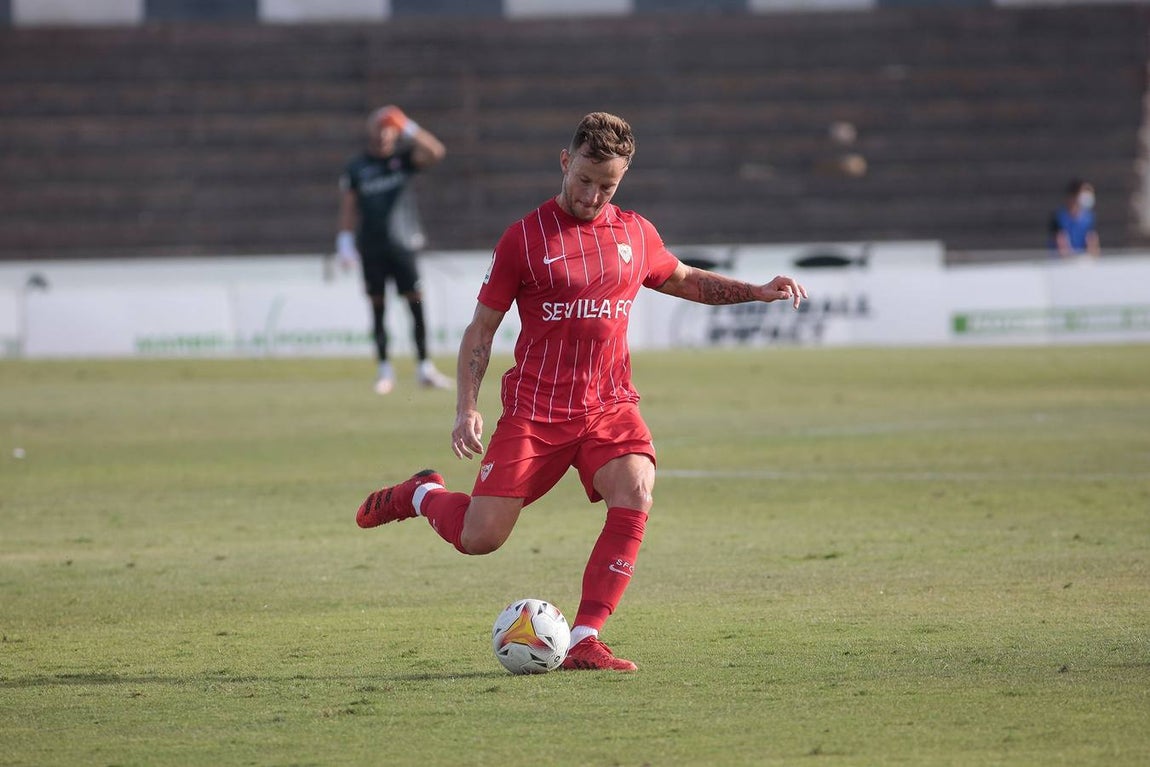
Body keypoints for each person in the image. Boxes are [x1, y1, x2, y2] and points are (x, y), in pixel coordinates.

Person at [354, 112, 807, 671]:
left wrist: (756, 291)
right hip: (536, 413)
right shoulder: (524, 238)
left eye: (607, 186)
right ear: (565, 162)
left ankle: (587, 637)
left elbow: (686, 278)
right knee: (481, 537)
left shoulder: (636, 233)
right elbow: (482, 328)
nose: (593, 195)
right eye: (585, 180)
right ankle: (421, 493)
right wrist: (466, 407)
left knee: (637, 488)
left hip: (609, 405)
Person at [337, 105, 453, 394]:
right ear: (370, 132)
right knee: (378, 307)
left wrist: (408, 126)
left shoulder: (404, 160)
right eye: (380, 127)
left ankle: (425, 366)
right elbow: (349, 206)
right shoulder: (357, 167)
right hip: (372, 247)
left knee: (415, 303)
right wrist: (344, 240)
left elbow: (436, 151)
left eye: (389, 128)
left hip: (404, 244)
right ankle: (384, 369)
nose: (384, 134)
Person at [1048, 178, 1101, 259]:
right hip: (1061, 263)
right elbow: (1061, 244)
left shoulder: (1089, 218)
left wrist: (1089, 258)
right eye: (1084, 192)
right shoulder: (1059, 217)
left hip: (1083, 263)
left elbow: (1092, 242)